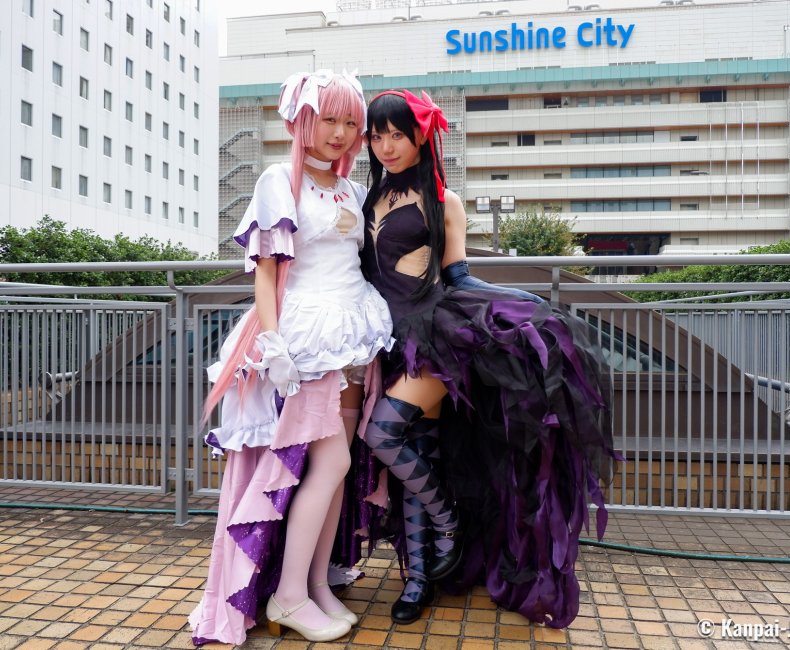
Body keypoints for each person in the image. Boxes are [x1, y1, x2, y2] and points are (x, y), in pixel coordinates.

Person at [360, 89, 616, 628]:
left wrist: (523, 302)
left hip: (434, 334)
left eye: (397, 134)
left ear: (419, 137)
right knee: (415, 455)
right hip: (386, 339)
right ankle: (418, 578)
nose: (386, 145)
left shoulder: (441, 199)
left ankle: (448, 521)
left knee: (382, 434)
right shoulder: (369, 197)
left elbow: (456, 275)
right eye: (377, 135)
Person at [188, 70, 394, 645]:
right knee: (331, 465)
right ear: (302, 120)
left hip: (357, 332)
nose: (341, 131)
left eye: (351, 122)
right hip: (307, 337)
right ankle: (288, 595)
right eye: (329, 118)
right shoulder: (281, 179)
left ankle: (318, 585)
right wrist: (274, 343)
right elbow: (268, 273)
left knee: (337, 469)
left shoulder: (353, 189)